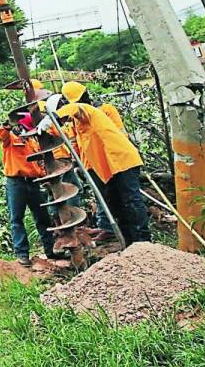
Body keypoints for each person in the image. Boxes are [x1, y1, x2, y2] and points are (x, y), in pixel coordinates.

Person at [54, 82, 151, 245]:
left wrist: (55, 116)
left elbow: (77, 109)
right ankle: (130, 243)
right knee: (116, 203)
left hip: (121, 159)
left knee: (131, 201)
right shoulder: (77, 122)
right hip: (104, 167)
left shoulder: (91, 111)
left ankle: (144, 240)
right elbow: (77, 143)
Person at [0, 120, 58, 266]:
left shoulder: (33, 141)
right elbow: (1, 134)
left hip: (33, 183)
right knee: (17, 219)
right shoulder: (10, 138)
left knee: (42, 217)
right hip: (16, 182)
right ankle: (22, 254)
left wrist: (45, 177)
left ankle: (51, 250)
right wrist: (8, 125)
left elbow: (38, 164)